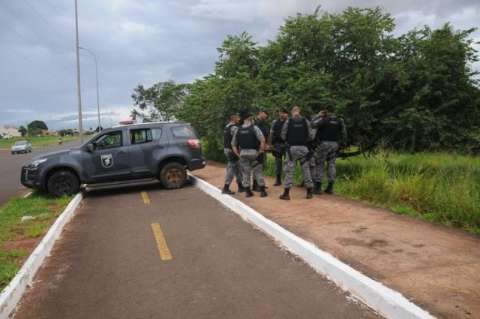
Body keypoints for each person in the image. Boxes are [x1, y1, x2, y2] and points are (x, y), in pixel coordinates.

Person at [279, 106, 314, 200]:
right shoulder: (305, 121)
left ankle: (286, 194)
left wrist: (288, 140)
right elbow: (311, 135)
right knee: (306, 170)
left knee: (289, 170)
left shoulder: (288, 121)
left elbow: (283, 135)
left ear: (292, 112)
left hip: (292, 149)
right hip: (304, 149)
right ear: (299, 111)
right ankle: (309, 192)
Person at [232, 111, 268, 198]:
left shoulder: (238, 129)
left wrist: (238, 154)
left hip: (243, 153)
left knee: (245, 173)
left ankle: (248, 192)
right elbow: (262, 140)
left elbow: (233, 144)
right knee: (258, 172)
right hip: (254, 153)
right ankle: (262, 191)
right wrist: (260, 151)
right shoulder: (254, 128)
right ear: (249, 118)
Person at [311, 110, 347, 194]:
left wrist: (318, 115)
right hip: (335, 144)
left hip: (324, 144)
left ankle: (318, 187)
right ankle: (330, 187)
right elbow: (344, 133)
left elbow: (312, 124)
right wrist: (342, 143)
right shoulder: (340, 120)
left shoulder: (324, 119)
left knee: (319, 163)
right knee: (332, 164)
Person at [222, 114, 243, 194]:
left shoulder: (227, 127)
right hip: (232, 151)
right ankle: (226, 188)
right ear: (233, 119)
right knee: (231, 169)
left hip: (227, 149)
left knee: (238, 168)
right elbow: (238, 140)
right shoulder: (234, 128)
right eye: (238, 118)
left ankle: (240, 187)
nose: (239, 119)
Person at [269, 109, 289, 186]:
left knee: (288, 162)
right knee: (278, 162)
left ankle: (287, 180)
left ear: (287, 114)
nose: (282, 114)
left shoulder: (289, 121)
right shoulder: (275, 122)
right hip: (277, 144)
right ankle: (278, 179)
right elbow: (271, 133)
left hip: (287, 144)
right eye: (281, 113)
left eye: (284, 113)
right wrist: (270, 144)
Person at [252, 110, 269, 192]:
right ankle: (255, 185)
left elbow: (266, 134)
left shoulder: (263, 123)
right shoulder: (254, 123)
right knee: (257, 166)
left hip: (262, 147)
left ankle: (258, 184)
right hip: (256, 147)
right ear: (260, 113)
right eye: (265, 115)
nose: (266, 117)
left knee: (260, 166)